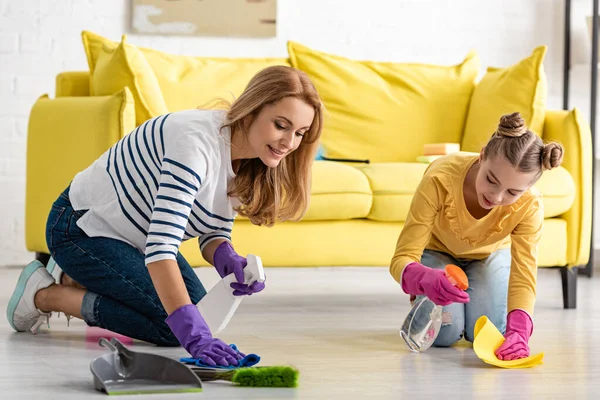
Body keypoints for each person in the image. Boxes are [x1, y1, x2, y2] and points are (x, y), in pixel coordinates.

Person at [7, 65, 323, 367]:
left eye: (300, 133)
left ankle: (80, 275)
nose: (288, 143)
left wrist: (227, 258)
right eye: (280, 125)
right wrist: (194, 336)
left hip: (135, 242)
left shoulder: (251, 160)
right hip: (80, 229)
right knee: (178, 328)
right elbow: (161, 250)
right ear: (251, 109)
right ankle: (48, 294)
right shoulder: (195, 145)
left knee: (199, 318)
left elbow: (213, 231)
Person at [390, 112, 564, 361]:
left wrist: (520, 331)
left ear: (526, 189)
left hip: (489, 256)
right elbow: (402, 258)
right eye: (491, 180)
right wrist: (422, 277)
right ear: (482, 156)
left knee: (488, 332)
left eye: (512, 191)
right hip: (438, 251)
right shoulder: (441, 177)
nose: (497, 196)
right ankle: (432, 300)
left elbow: (524, 276)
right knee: (443, 336)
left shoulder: (530, 205)